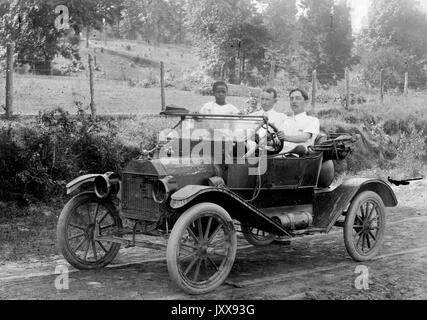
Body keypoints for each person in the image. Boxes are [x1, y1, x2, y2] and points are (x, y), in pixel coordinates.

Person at [278, 88, 320, 155]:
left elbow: (305, 137)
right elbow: (278, 140)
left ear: (306, 102)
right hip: (280, 155)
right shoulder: (286, 121)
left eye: (298, 98)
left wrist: (285, 137)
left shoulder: (313, 120)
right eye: (291, 99)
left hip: (300, 158)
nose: (294, 101)